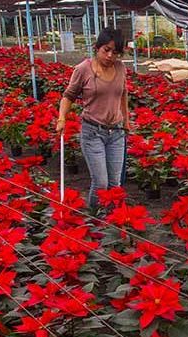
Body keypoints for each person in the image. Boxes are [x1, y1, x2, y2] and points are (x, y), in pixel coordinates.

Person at [57, 27, 130, 208]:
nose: (110, 56)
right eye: (107, 50)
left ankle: (112, 224)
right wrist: (61, 119)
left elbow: (123, 94)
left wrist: (126, 121)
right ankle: (95, 220)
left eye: (116, 52)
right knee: (101, 183)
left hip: (116, 133)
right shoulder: (83, 69)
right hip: (93, 132)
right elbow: (68, 96)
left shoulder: (121, 68)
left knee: (115, 184)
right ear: (97, 47)